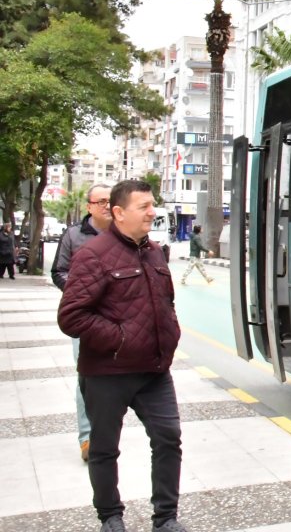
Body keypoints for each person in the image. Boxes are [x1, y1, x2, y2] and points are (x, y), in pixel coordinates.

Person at [56, 180, 186, 532]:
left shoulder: (155, 252)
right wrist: (122, 338)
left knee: (168, 439)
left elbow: (166, 302)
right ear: (118, 212)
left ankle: (166, 518)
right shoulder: (93, 255)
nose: (152, 212)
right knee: (104, 448)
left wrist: (170, 333)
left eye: (152, 204)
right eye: (143, 206)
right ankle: (110, 517)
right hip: (107, 373)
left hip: (154, 372)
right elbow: (71, 316)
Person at [52, 183, 115, 462]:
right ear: (89, 206)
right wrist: (82, 294)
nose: (106, 205)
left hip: (116, 317)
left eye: (110, 200)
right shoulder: (74, 235)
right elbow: (59, 271)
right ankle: (88, 438)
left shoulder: (122, 234)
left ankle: (107, 433)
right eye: (101, 201)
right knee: (86, 377)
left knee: (117, 378)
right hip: (85, 317)